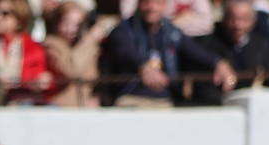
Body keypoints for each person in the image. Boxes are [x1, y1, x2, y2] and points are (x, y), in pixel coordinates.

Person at [102, 0, 235, 105]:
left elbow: (195, 52)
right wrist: (143, 68)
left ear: (165, 5)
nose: (151, 7)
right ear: (139, 4)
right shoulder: (124, 30)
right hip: (131, 97)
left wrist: (218, 63)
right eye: (146, 2)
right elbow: (126, 52)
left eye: (157, 3)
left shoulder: (171, 32)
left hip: (165, 100)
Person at [43, 0, 110, 106]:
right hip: (60, 107)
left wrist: (96, 97)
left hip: (86, 109)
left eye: (77, 24)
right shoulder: (51, 44)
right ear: (57, 23)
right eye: (66, 22)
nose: (71, 29)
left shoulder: (89, 48)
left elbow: (97, 78)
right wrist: (90, 39)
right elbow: (71, 70)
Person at [196, 0, 269, 93]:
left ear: (253, 21)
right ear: (224, 18)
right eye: (232, 18)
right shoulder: (207, 46)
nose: (237, 25)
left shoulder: (263, 46)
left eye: (244, 19)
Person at [0, 0, 51, 103]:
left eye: (4, 13)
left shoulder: (33, 49)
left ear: (19, 19)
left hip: (21, 105)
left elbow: (39, 80)